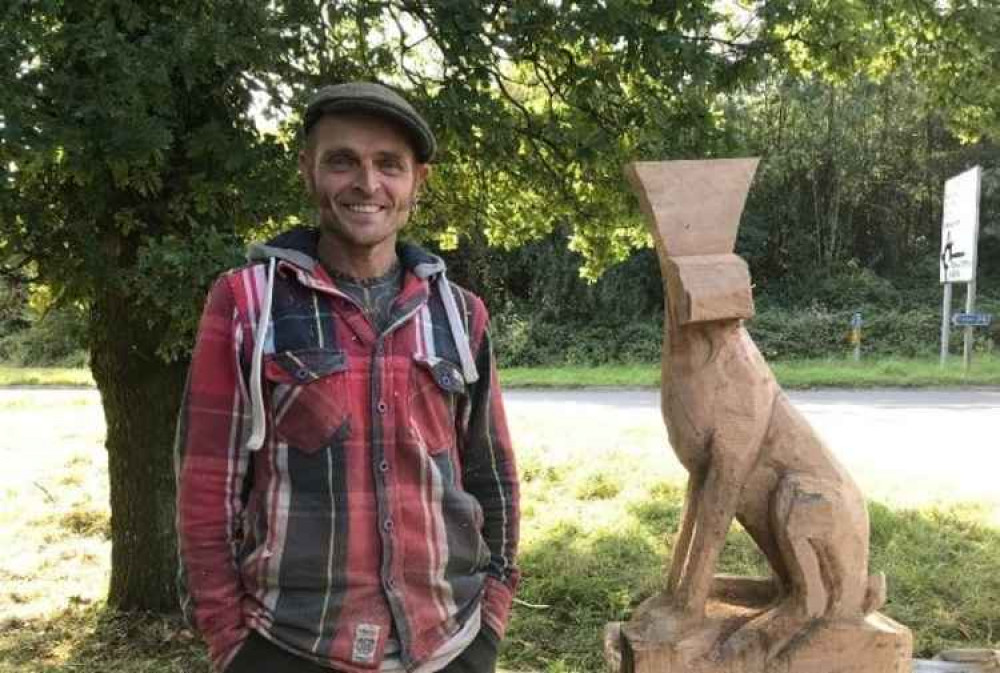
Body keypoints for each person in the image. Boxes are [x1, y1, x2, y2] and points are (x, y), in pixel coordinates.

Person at [175, 82, 520, 673]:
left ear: (418, 183)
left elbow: (493, 474)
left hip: (450, 645)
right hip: (290, 646)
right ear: (309, 171)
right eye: (343, 161)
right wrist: (230, 644)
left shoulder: (461, 315)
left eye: (389, 164)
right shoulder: (246, 304)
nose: (367, 183)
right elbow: (205, 487)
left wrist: (492, 611)